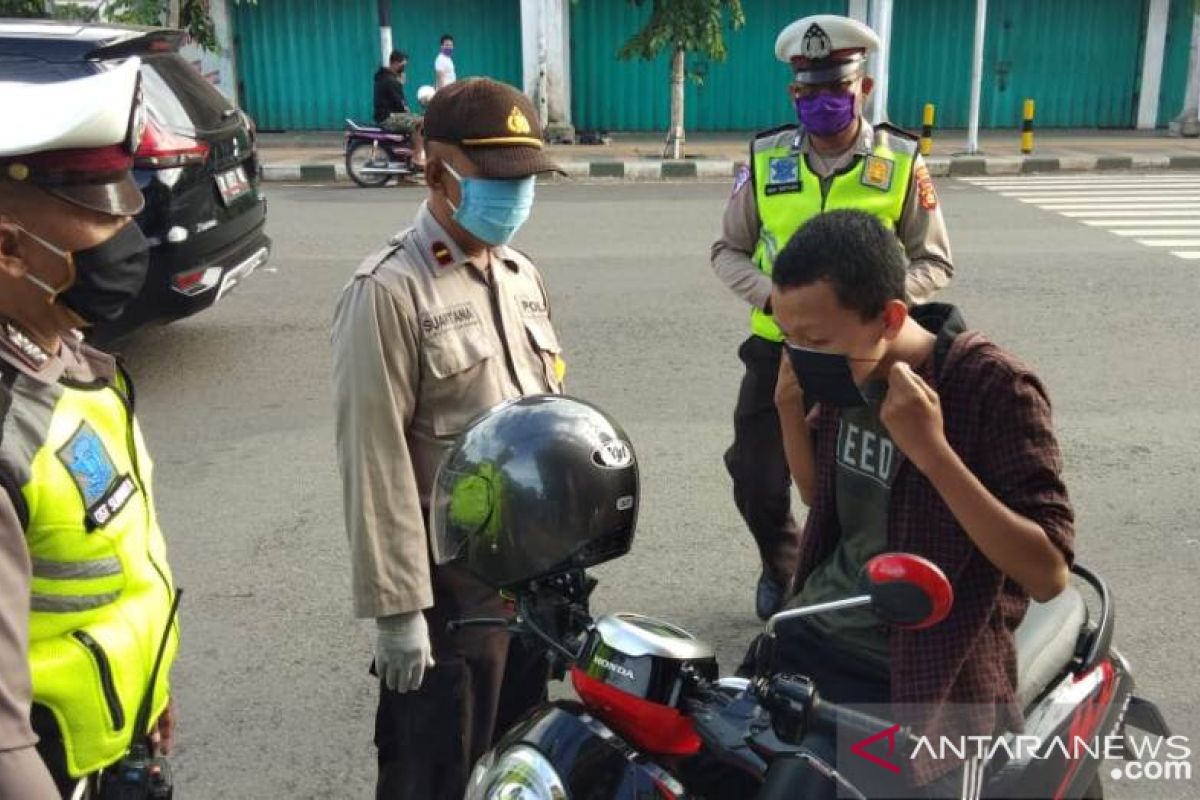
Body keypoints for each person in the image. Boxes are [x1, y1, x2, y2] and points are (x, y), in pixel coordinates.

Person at [765, 209, 1073, 796]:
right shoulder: (845, 371)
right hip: (810, 633)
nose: (801, 352)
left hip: (920, 677)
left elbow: (1047, 571)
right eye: (789, 337)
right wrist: (787, 409)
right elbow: (819, 499)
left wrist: (932, 452)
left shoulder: (994, 388)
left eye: (815, 340)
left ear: (890, 318)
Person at [332, 77, 566, 800]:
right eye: (497, 180)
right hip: (449, 596)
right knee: (435, 771)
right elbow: (374, 461)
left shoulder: (522, 275)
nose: (516, 196)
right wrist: (398, 610)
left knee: (514, 766)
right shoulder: (389, 291)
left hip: (529, 585)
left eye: (526, 179)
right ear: (436, 171)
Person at [711, 13, 954, 621]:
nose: (819, 104)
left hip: (869, 356)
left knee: (867, 483)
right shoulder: (766, 159)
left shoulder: (899, 160)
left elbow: (934, 261)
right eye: (807, 93)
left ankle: (866, 583)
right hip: (781, 349)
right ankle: (783, 564)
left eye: (833, 91)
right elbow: (727, 250)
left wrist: (877, 315)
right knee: (757, 479)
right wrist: (776, 301)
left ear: (863, 90)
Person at [0, 60, 179, 797]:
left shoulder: (69, 359)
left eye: (126, 208)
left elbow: (118, 561)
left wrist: (150, 690)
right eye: (104, 216)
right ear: (9, 248)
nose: (129, 236)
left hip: (115, 737)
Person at [373, 50, 426, 168]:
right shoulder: (391, 81)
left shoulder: (383, 77)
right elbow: (401, 105)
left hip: (385, 115)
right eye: (403, 65)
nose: (404, 68)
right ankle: (417, 158)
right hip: (388, 118)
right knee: (422, 122)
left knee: (414, 120)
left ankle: (406, 172)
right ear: (395, 63)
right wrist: (411, 113)